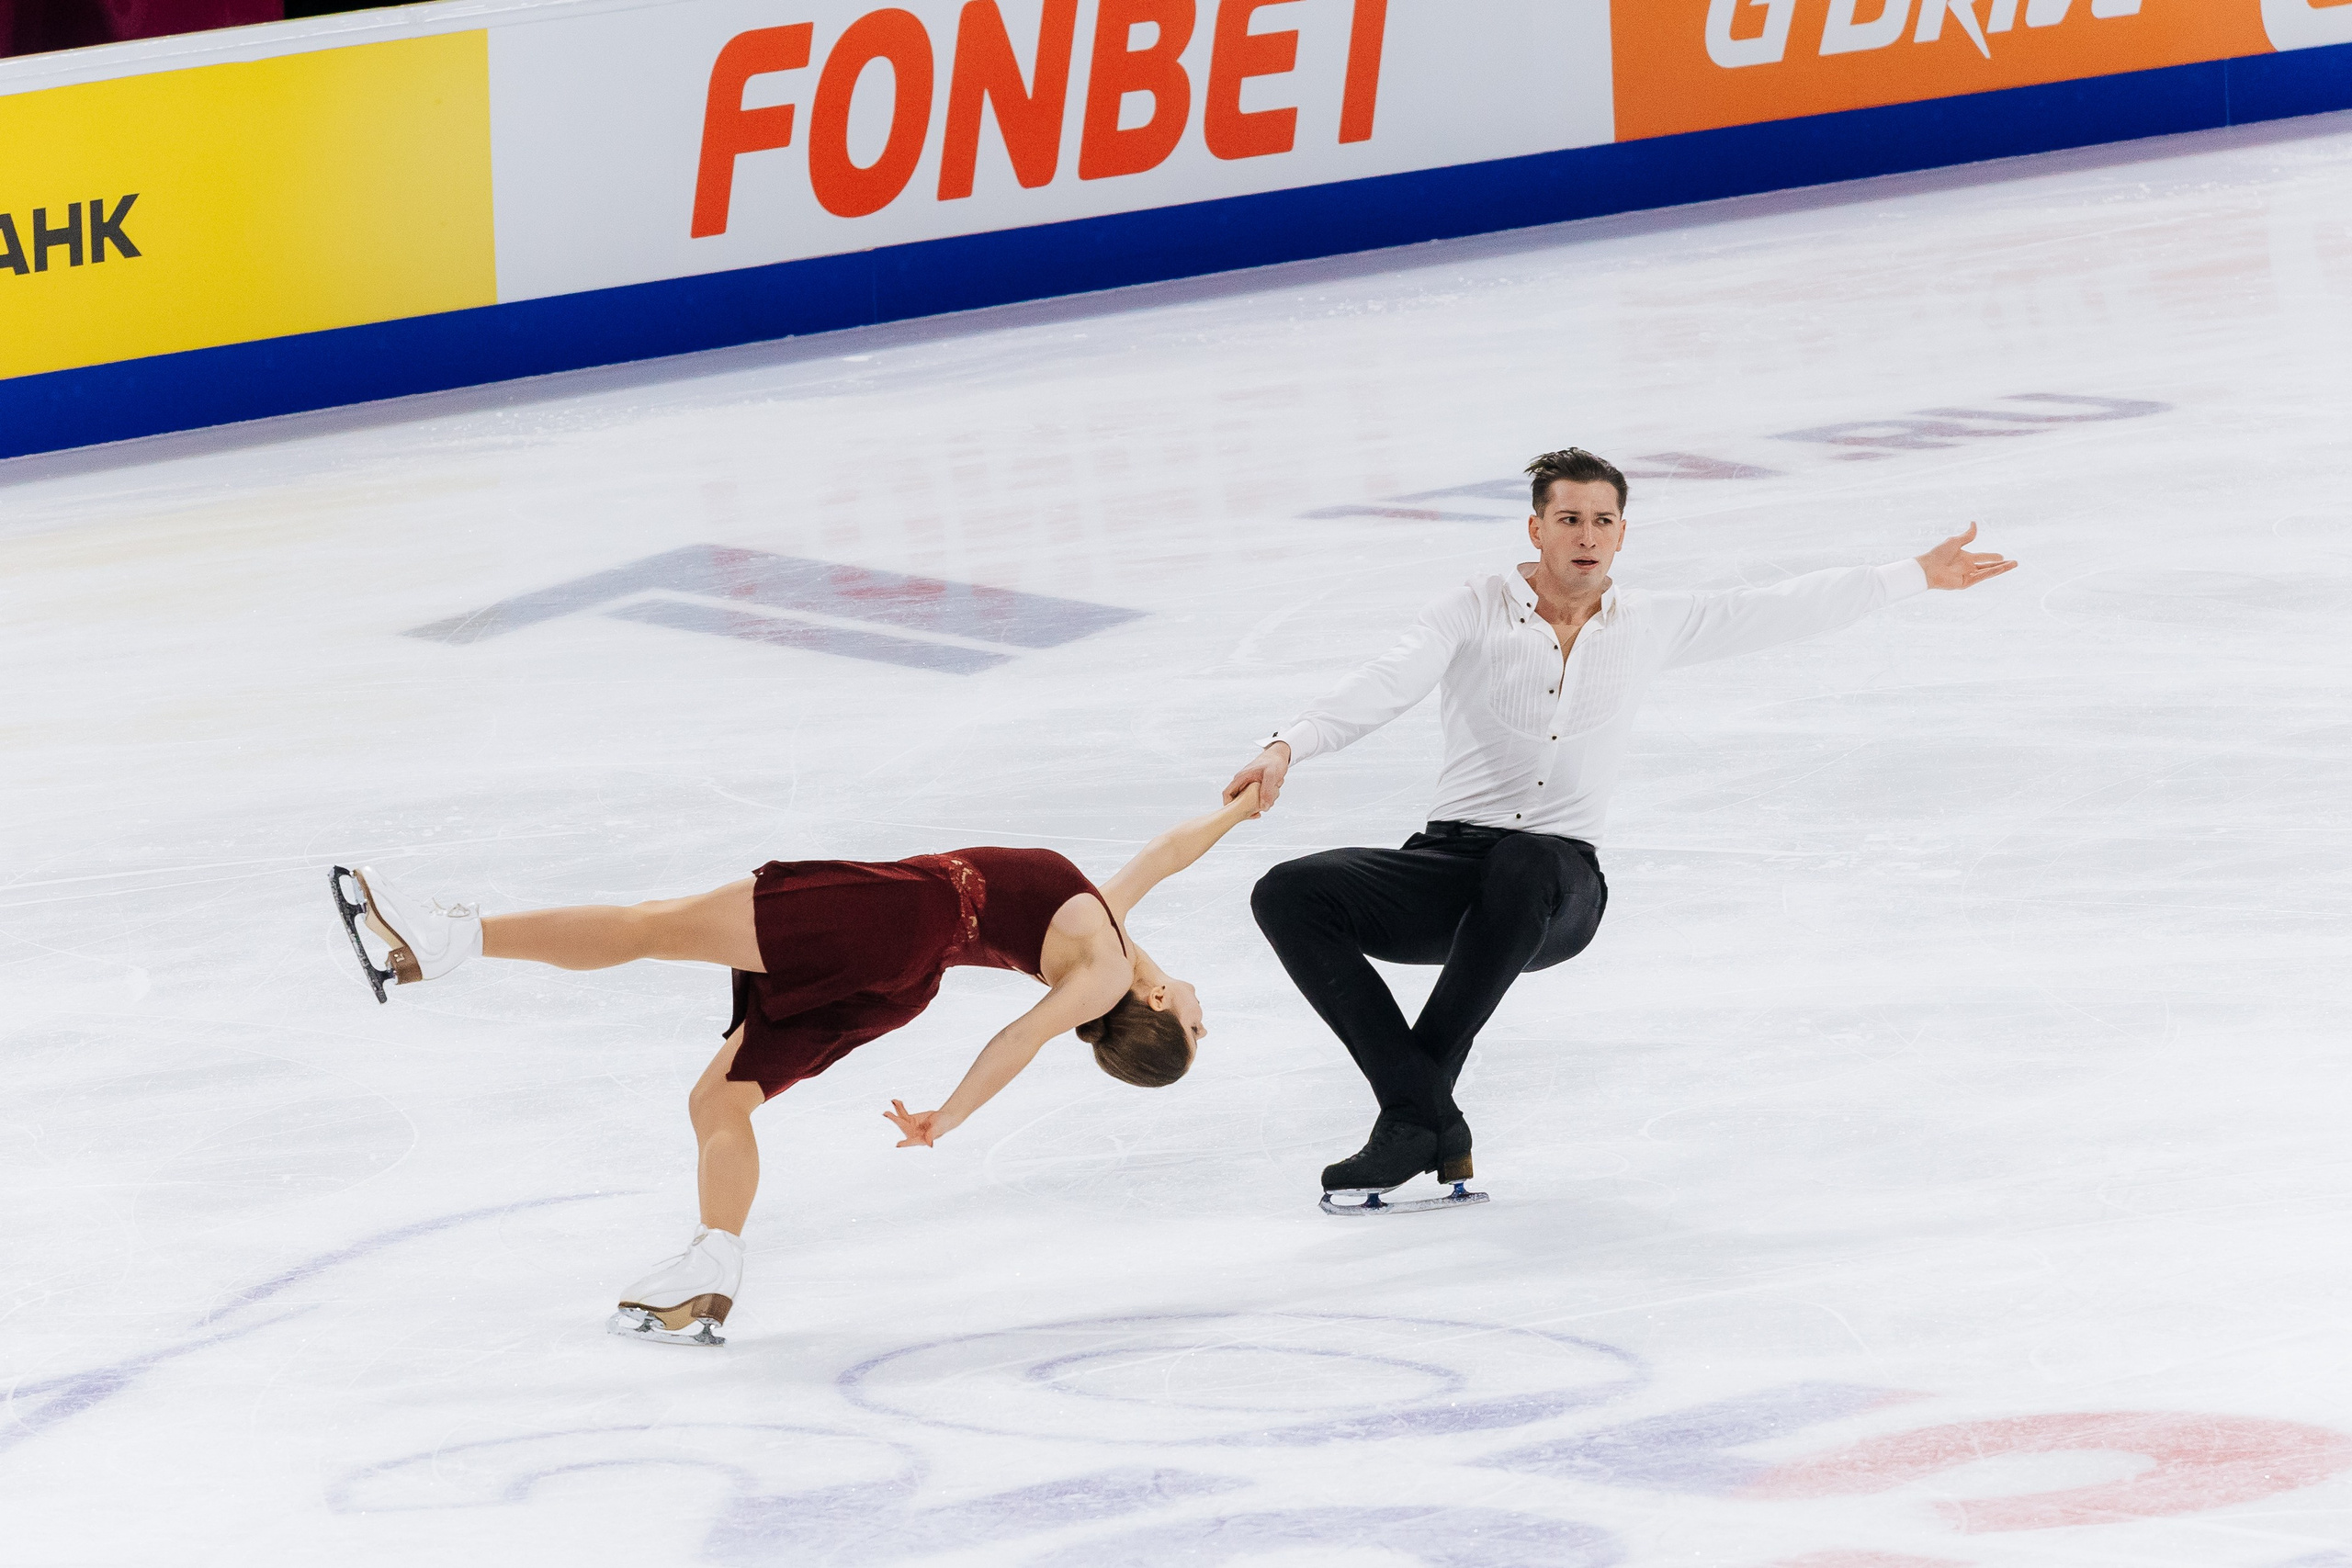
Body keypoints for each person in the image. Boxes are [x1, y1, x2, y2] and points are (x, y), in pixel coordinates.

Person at [1227, 447, 2017, 1206]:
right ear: (1535, 529)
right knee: (1289, 892)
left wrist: (1915, 573)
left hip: (1559, 887)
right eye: (1569, 518)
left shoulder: (1649, 620)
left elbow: (1777, 608)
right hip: (1449, 861)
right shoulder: (1473, 608)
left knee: (1528, 860)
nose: (1587, 536)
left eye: (1604, 520)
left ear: (1623, 533)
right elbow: (1386, 679)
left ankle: (1410, 1117)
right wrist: (1289, 743)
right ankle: (1425, 1110)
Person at [329, 784, 1261, 1344]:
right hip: (903, 974)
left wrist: (951, 1116)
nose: (1202, 1014)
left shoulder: (1099, 973)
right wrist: (1244, 804)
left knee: (658, 924)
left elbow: (1017, 1039)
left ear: (1150, 1008)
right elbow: (1163, 854)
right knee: (717, 1101)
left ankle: (449, 939)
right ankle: (709, 1272)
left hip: (902, 920)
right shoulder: (1112, 937)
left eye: (1194, 1024)